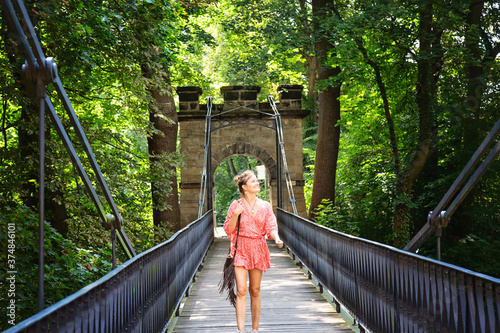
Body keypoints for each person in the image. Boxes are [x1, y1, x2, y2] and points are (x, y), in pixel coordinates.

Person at [223, 170, 283, 333]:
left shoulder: (265, 206)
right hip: (240, 248)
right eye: (253, 182)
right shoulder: (236, 205)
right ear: (244, 187)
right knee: (241, 290)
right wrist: (235, 214)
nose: (257, 183)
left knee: (254, 290)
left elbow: (271, 226)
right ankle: (240, 331)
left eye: (257, 181)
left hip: (258, 248)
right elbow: (229, 229)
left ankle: (255, 329)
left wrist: (276, 238)